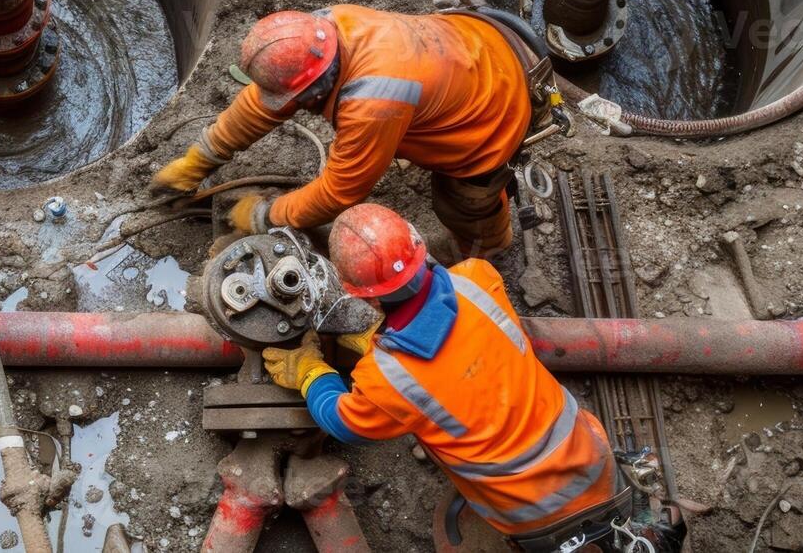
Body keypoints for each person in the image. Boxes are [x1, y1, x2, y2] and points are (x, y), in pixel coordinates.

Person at [261, 205, 679, 551]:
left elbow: (341, 422)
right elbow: (463, 348)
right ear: (418, 245)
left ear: (356, 291)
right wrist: (382, 342)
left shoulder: (386, 379)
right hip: (593, 463)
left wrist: (310, 373)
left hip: (530, 514)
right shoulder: (478, 278)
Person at [151, 5, 538, 259]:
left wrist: (265, 215)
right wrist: (198, 160)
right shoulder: (324, 32)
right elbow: (262, 104)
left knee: (463, 202)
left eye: (300, 99)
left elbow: (341, 191)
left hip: (495, 114)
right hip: (472, 47)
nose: (291, 105)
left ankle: (487, 246)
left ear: (317, 89)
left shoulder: (373, 102)